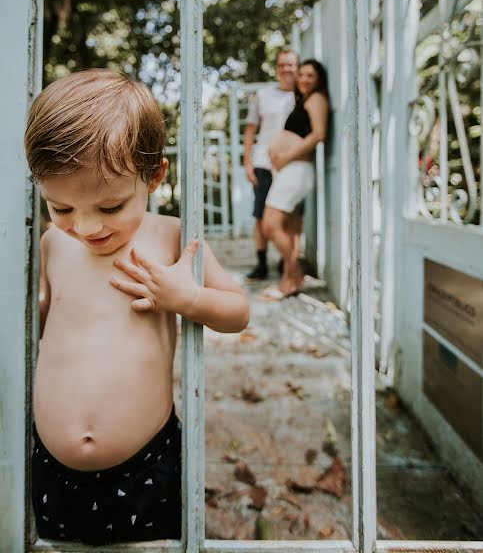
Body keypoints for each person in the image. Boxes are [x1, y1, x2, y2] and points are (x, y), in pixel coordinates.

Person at [25, 68, 249, 546]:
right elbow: (41, 326)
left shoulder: (170, 237)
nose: (85, 227)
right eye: (60, 207)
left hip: (146, 464)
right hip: (49, 462)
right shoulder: (52, 246)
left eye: (109, 208)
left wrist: (187, 298)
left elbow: (237, 311)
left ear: (154, 175)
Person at [262, 59, 330, 299]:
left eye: (310, 75)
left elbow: (319, 134)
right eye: (301, 75)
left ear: (319, 79)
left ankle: (295, 274)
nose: (304, 79)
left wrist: (286, 157)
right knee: (288, 229)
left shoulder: (316, 99)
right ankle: (287, 282)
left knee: (270, 225)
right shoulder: (303, 100)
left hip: (296, 170)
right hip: (289, 170)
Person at [243, 49, 298, 280]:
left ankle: (288, 264)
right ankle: (262, 263)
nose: (286, 69)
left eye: (291, 65)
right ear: (276, 68)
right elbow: (250, 130)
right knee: (260, 217)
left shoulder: (303, 95)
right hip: (264, 163)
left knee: (290, 216)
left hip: (291, 165)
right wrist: (247, 162)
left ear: (297, 67)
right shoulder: (263, 95)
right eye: (282, 65)